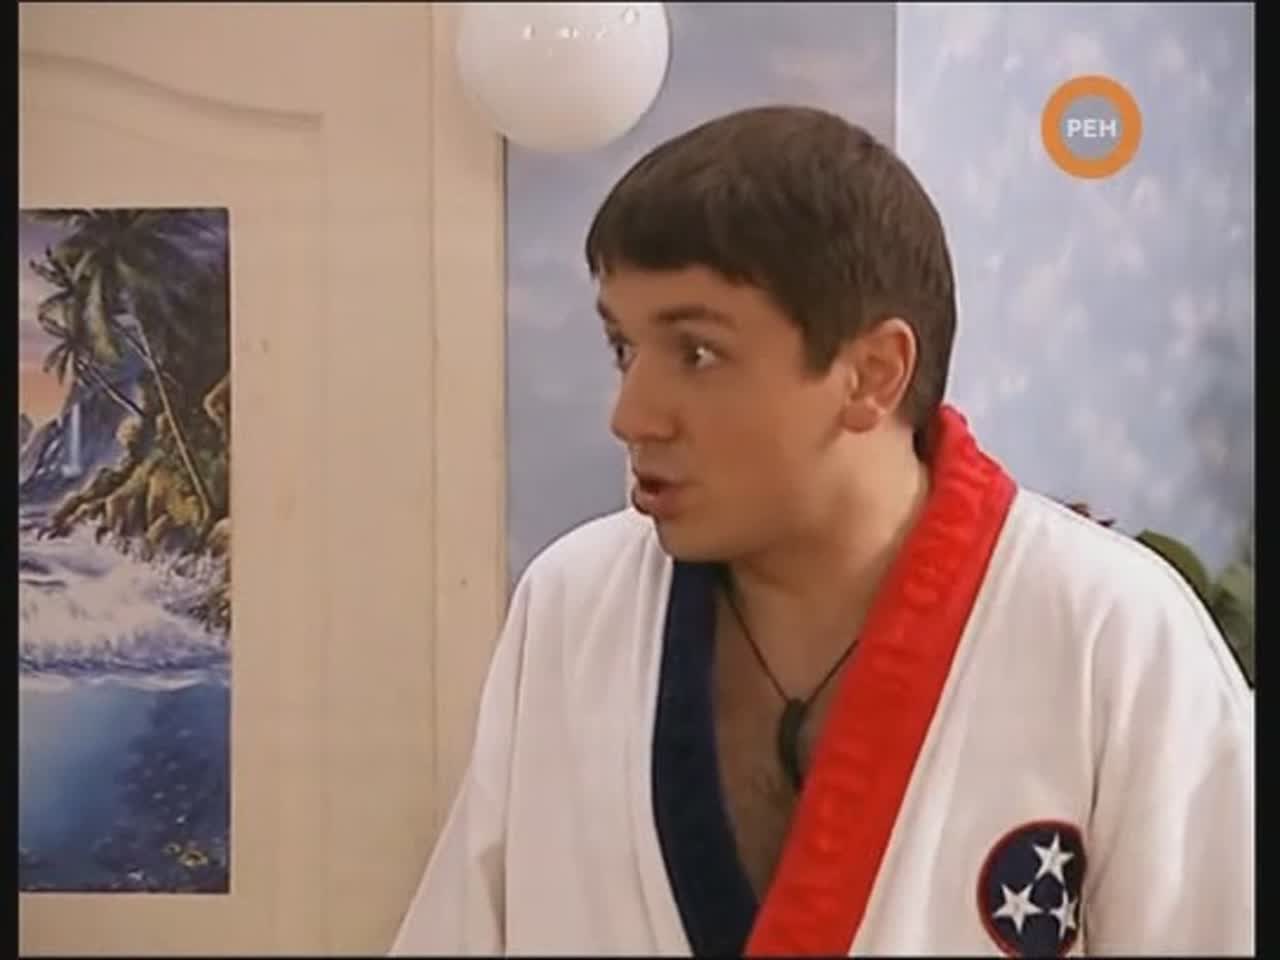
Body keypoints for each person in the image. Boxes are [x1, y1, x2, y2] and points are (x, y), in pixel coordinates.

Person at [389, 105, 1254, 957]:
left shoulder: (1111, 629)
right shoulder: (572, 606)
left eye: (697, 353)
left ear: (872, 374)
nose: (632, 414)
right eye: (624, 348)